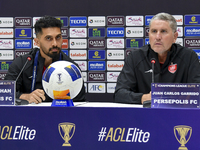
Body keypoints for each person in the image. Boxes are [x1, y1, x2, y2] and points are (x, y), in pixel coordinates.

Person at [114, 12, 200, 104]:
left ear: (175, 37)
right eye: (154, 31)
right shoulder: (135, 57)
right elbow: (119, 94)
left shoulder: (188, 57)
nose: (158, 37)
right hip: (144, 116)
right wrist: (143, 98)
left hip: (177, 115)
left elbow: (197, 92)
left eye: (163, 31)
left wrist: (171, 97)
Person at [4, 16, 86, 104]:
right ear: (37, 42)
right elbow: (4, 93)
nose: (55, 43)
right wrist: (26, 96)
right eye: (48, 38)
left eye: (58, 37)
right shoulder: (22, 63)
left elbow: (80, 101)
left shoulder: (71, 67)